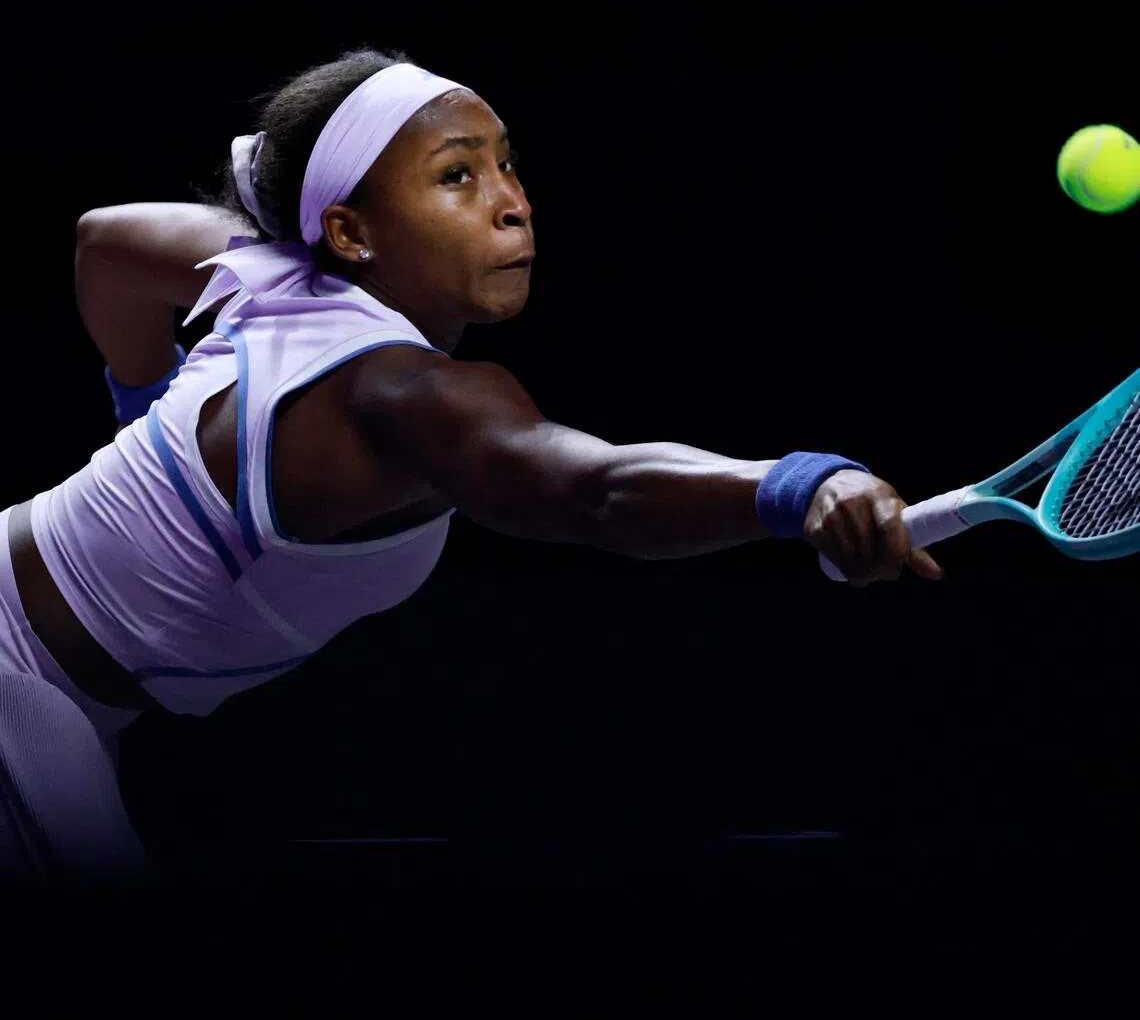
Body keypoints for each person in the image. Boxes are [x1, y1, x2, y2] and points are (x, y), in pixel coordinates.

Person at [0, 47, 942, 883]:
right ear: (350, 231)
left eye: (506, 164)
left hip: (60, 697)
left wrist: (142, 394)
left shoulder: (258, 267)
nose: (513, 203)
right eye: (457, 176)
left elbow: (103, 240)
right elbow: (597, 490)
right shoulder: (402, 394)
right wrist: (800, 485)